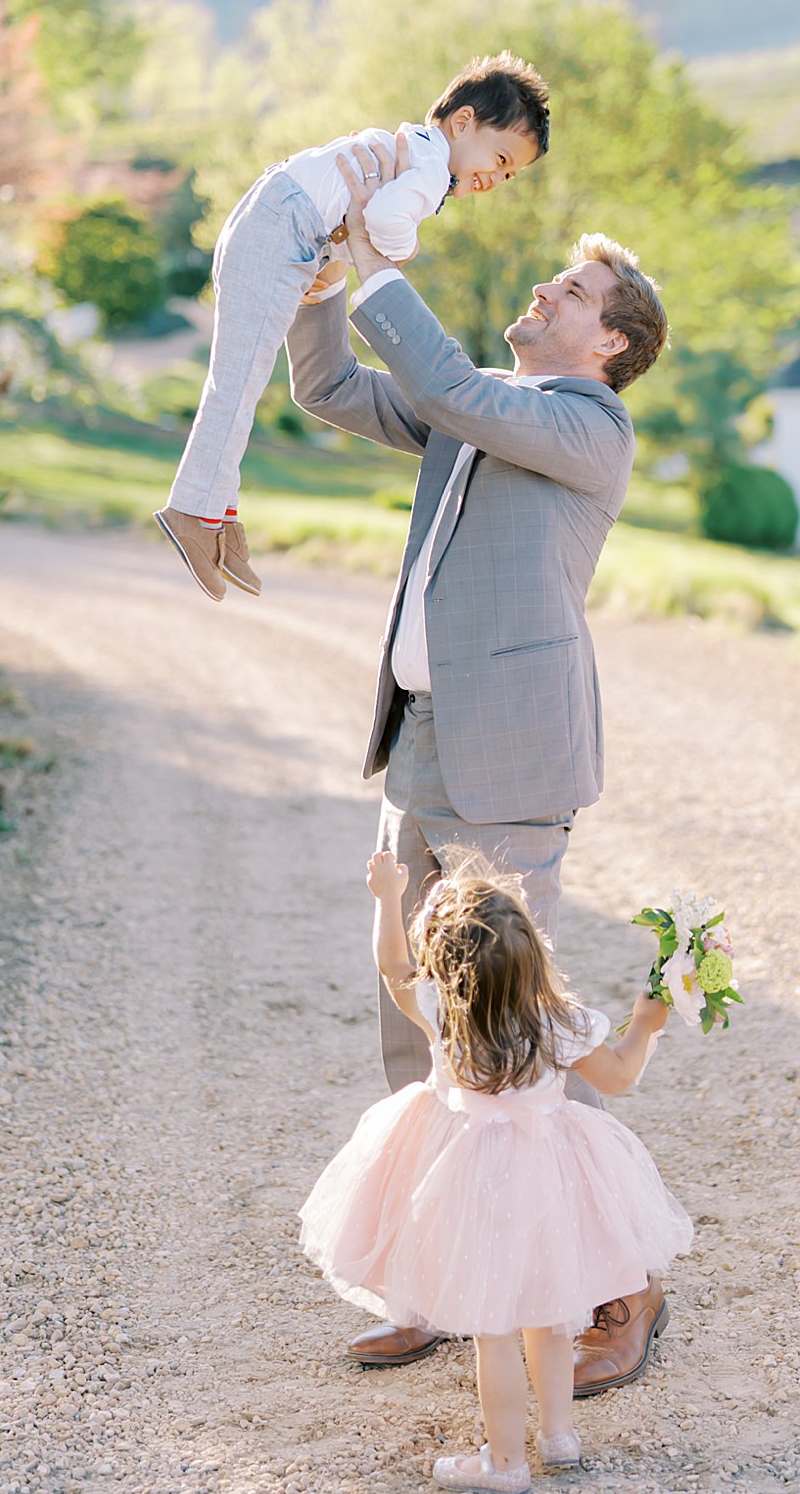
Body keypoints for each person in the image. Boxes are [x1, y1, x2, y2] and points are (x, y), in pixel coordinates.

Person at [285, 139, 674, 1391]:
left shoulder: (585, 426)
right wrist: (321, 288)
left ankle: (622, 1286)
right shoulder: (476, 407)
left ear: (607, 342)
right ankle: (437, 1281)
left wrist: (386, 254)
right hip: (426, 744)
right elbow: (336, 392)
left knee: (528, 1034)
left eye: (570, 292)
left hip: (513, 767)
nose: (545, 294)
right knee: (416, 1020)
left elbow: (447, 383)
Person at [298, 856, 692, 1494]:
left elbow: (393, 968)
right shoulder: (560, 1021)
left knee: (495, 1329)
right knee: (550, 1315)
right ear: (532, 955)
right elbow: (620, 1077)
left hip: (472, 1185)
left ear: (450, 969)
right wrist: (645, 1025)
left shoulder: (443, 1011)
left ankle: (505, 1464)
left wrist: (388, 896)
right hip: (550, 1180)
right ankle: (559, 1437)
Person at [154, 52, 549, 601]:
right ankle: (193, 509)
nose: (494, 179)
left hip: (281, 219)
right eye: (499, 158)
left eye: (508, 175)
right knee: (237, 382)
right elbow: (383, 222)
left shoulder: (416, 150)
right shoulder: (430, 170)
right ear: (462, 123)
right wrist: (402, 248)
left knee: (244, 380)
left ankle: (218, 508)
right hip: (282, 228)